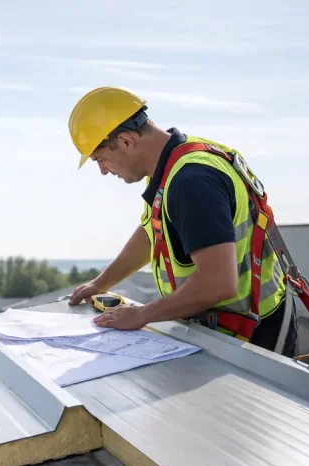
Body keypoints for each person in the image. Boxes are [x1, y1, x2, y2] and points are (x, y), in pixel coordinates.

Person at [65, 87, 297, 357]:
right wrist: (101, 282)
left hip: (252, 338)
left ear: (127, 141)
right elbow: (154, 230)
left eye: (100, 159)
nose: (103, 170)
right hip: (230, 331)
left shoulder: (192, 181)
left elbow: (218, 283)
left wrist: (142, 315)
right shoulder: (172, 163)